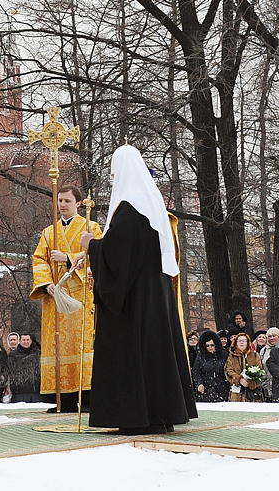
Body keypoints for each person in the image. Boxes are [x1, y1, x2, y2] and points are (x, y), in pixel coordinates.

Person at [81, 144, 196, 434]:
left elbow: (120, 255)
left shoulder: (129, 208)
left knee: (135, 350)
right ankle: (160, 413)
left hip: (135, 298)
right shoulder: (151, 203)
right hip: (156, 292)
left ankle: (136, 416)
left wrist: (92, 246)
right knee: (155, 351)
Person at [30, 185, 101, 413]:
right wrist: (46, 283)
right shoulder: (48, 232)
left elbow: (99, 255)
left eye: (67, 201)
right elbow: (39, 259)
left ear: (78, 203)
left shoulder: (91, 227)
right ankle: (65, 400)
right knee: (59, 345)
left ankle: (89, 398)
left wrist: (68, 258)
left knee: (82, 345)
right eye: (59, 200)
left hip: (82, 298)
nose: (62, 205)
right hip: (56, 298)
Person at [191, 330, 229, 402]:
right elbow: (196, 372)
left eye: (212, 345)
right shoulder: (200, 357)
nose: (210, 347)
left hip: (222, 388)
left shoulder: (224, 355)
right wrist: (199, 384)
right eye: (207, 346)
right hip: (207, 390)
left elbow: (228, 369)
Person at [225, 332, 263, 402]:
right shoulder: (231, 356)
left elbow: (260, 371)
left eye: (244, 341)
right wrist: (238, 379)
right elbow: (228, 371)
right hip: (236, 393)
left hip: (252, 393)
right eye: (239, 341)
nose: (241, 343)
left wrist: (252, 382)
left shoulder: (255, 355)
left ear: (248, 342)